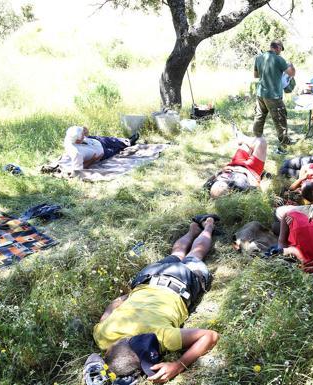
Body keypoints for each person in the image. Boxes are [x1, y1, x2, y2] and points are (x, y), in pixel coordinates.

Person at [85, 216, 220, 384]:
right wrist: (128, 297)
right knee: (176, 254)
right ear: (108, 351)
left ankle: (209, 224)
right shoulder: (103, 336)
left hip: (181, 282)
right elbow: (112, 306)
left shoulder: (162, 337)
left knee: (196, 253)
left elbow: (211, 336)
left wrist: (178, 365)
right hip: (148, 277)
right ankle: (193, 228)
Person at [252, 40, 295, 154]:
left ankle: (256, 142)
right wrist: (291, 65)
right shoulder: (278, 59)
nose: (280, 52)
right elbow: (291, 73)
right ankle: (283, 146)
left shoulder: (259, 58)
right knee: (280, 119)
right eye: (281, 49)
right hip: (273, 95)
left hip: (261, 93)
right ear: (278, 48)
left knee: (259, 117)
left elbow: (256, 75)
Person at [206, 124, 268, 198]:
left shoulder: (209, 186)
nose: (222, 182)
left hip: (234, 164)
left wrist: (220, 172)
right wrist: (247, 173)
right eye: (223, 184)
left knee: (246, 146)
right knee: (261, 142)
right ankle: (242, 138)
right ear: (230, 191)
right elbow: (258, 190)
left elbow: (212, 178)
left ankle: (242, 138)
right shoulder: (241, 188)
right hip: (251, 169)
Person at [63, 126, 139, 171]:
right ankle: (127, 144)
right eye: (83, 135)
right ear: (78, 140)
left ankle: (127, 141)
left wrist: (85, 131)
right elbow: (78, 170)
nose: (84, 135)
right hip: (102, 154)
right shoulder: (76, 153)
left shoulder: (71, 134)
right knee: (116, 149)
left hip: (95, 141)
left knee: (113, 140)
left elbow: (84, 133)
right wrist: (92, 160)